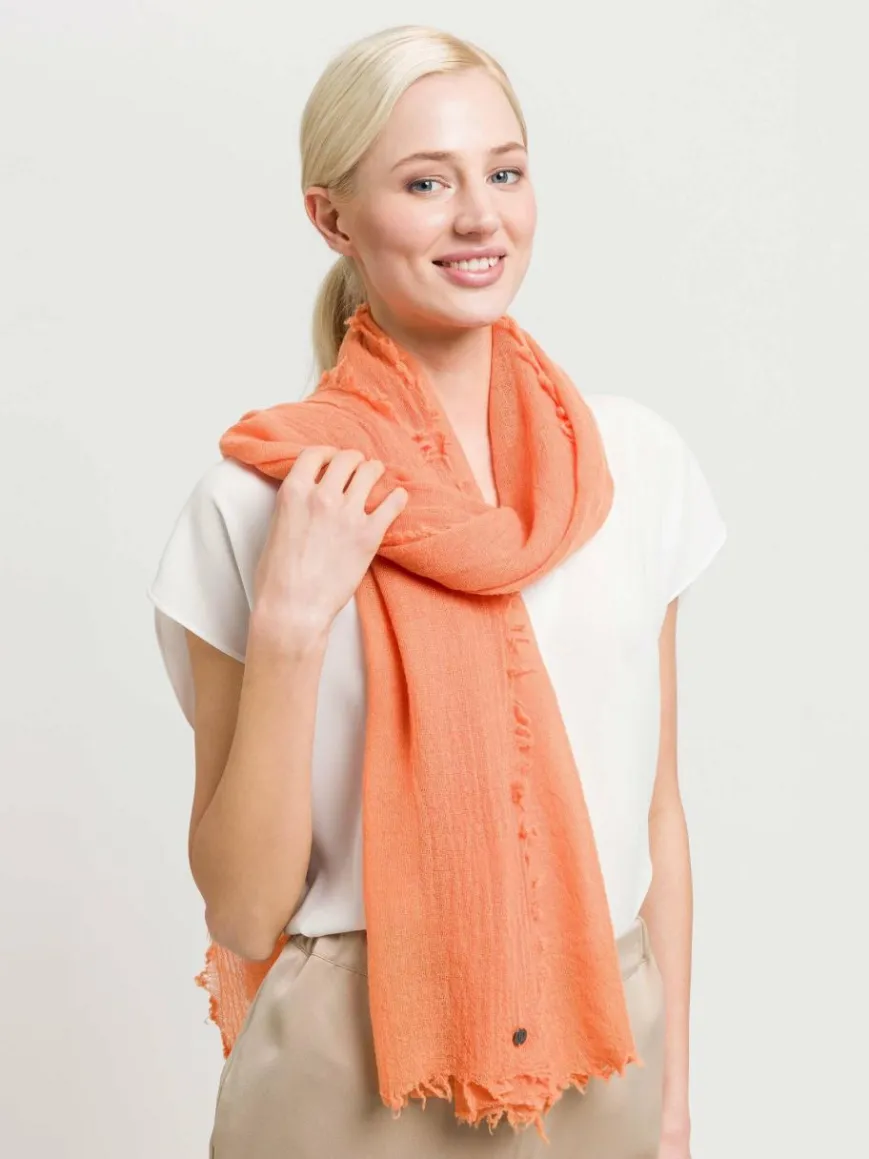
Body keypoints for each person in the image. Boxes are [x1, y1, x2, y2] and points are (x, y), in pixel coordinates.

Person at [147, 24, 727, 1159]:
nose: (479, 219)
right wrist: (292, 621)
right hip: (349, 1077)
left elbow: (657, 815)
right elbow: (243, 909)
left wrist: (669, 1104)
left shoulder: (634, 468)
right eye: (426, 183)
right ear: (332, 219)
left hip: (602, 1053)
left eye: (503, 173)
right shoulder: (258, 502)